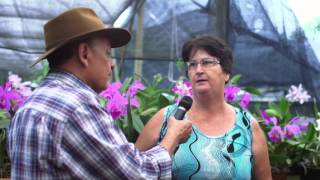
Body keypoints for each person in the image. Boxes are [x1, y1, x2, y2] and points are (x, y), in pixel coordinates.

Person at [8, 7, 192, 179]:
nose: (111, 64)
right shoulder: (77, 107)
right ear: (84, 53)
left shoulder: (28, 107)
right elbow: (136, 173)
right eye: (107, 53)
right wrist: (172, 137)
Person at [135, 36, 272, 179]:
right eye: (192, 64)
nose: (198, 70)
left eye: (207, 62)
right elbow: (131, 170)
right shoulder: (166, 118)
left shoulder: (247, 126)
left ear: (226, 73)